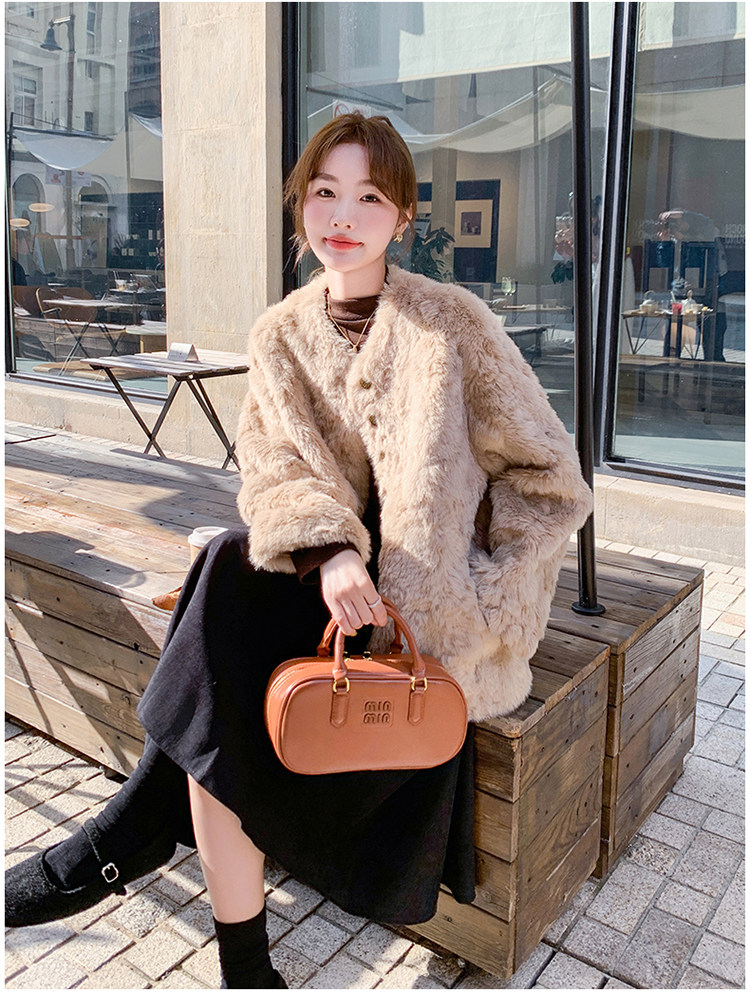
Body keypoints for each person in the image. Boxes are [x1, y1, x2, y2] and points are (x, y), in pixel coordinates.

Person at [5, 113, 594, 989]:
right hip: (322, 601)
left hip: (424, 627)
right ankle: (238, 958)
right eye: (324, 192)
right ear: (300, 205)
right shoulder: (281, 332)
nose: (342, 216)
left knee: (219, 606)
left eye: (370, 197)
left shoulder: (451, 325)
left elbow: (550, 482)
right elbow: (274, 467)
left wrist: (485, 593)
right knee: (229, 576)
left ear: (403, 216)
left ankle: (134, 836)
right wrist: (328, 552)